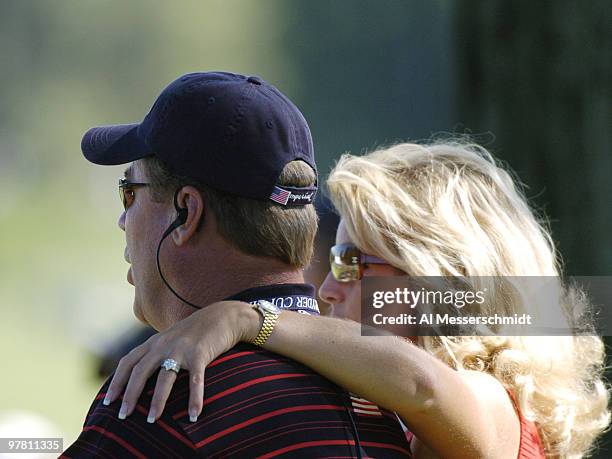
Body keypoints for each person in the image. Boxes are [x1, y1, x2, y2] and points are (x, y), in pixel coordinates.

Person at [107, 141, 611, 458]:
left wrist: (247, 318)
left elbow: (422, 384)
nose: (326, 288)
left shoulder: (494, 405)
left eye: (351, 263)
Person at [63, 72, 411, 458]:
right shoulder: (390, 406)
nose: (123, 221)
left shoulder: (159, 397)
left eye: (129, 192)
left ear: (187, 212)